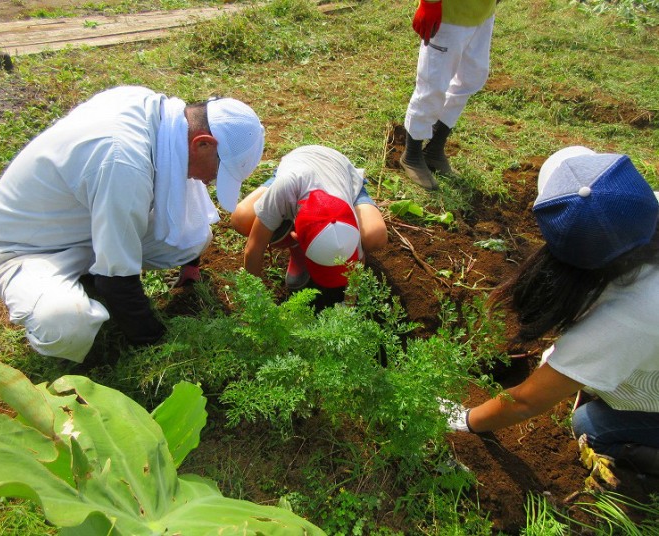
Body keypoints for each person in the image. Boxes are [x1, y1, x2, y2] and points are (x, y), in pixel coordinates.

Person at [0, 85, 265, 363]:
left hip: (81, 228)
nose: (209, 181)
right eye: (216, 173)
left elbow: (178, 204)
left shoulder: (163, 118)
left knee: (194, 236)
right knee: (67, 325)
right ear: (203, 143)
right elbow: (117, 282)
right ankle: (66, 300)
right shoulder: (123, 161)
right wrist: (158, 348)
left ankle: (87, 277)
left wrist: (190, 266)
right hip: (24, 250)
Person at [445, 146, 659, 477]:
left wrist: (467, 418)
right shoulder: (642, 211)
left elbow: (526, 402)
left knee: (590, 425)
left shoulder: (628, 316)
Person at [230, 145, 388, 290]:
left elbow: (358, 262)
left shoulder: (347, 218)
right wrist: (256, 299)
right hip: (300, 162)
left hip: (340, 170)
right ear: (296, 235)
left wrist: (349, 303)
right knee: (241, 220)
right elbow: (254, 247)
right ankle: (297, 250)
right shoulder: (284, 188)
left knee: (374, 236)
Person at [401, 0, 497, 189]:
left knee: (472, 77)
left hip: (483, 12)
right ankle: (412, 155)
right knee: (432, 84)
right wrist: (429, 4)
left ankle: (435, 148)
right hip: (448, 14)